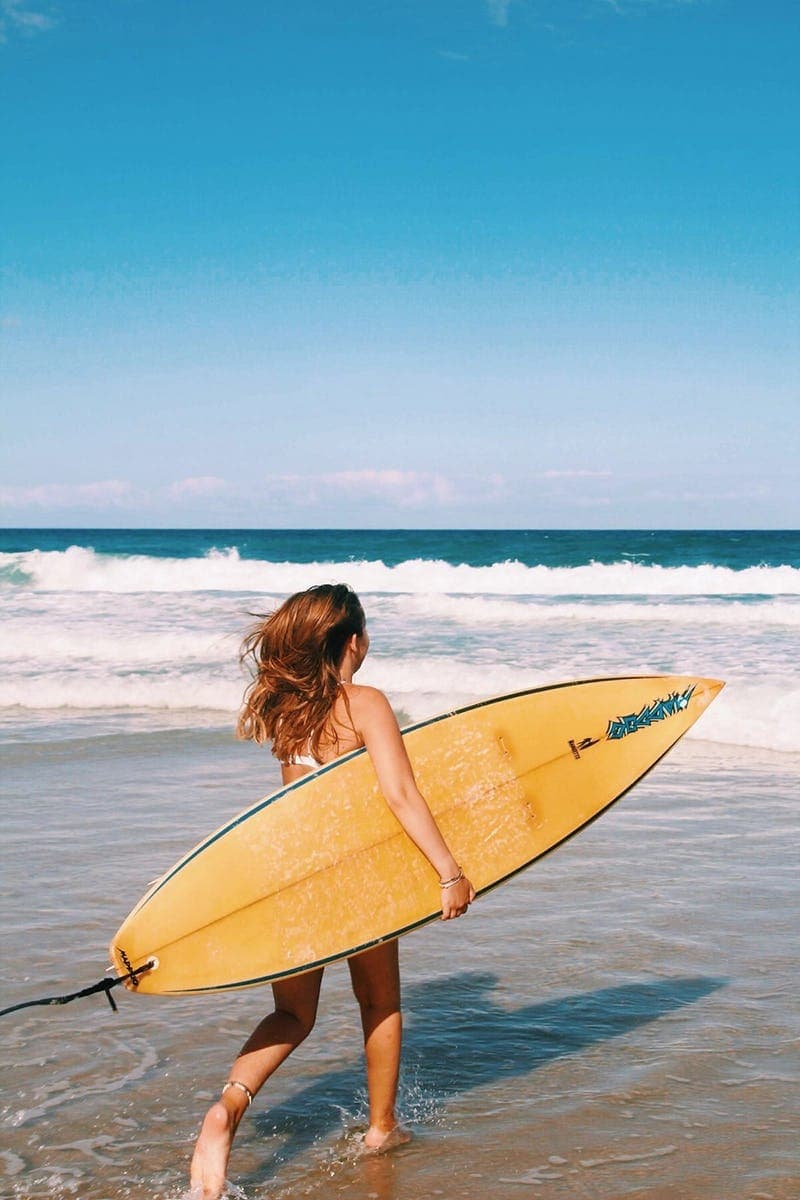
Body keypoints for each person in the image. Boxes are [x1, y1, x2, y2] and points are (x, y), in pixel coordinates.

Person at [189, 583, 475, 1199]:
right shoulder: (366, 702)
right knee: (379, 1002)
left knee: (293, 1013)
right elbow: (400, 794)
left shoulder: (288, 712)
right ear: (354, 640)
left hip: (293, 877)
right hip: (355, 880)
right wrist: (448, 870)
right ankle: (380, 1130)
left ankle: (227, 1111)